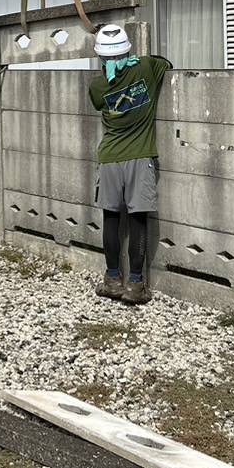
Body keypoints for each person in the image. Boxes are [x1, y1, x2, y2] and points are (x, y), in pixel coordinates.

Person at [88, 24, 172, 304]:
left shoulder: (98, 87)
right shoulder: (147, 69)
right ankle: (135, 286)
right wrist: (137, 64)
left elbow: (102, 96)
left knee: (111, 220)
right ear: (128, 50)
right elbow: (166, 63)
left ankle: (112, 280)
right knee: (138, 220)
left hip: (110, 158)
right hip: (140, 157)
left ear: (100, 57)